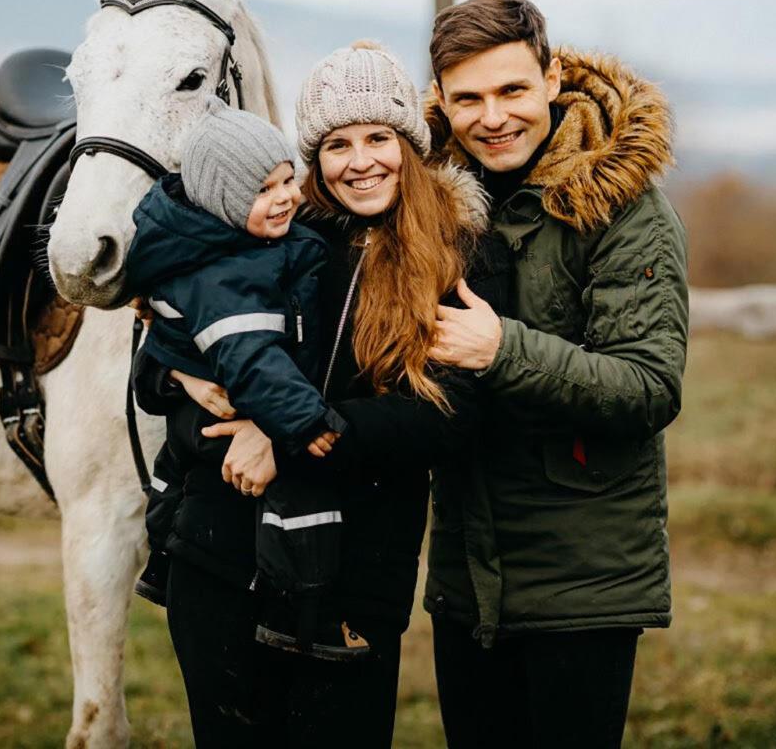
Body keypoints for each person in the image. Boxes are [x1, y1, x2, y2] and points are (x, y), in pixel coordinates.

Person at [140, 40, 514, 748]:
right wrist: (176, 378)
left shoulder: (460, 253)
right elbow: (169, 370)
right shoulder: (275, 233)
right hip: (222, 555)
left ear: (410, 141)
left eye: (379, 137)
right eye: (337, 144)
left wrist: (289, 441)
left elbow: (447, 416)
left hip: (353, 576)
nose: (361, 160)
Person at [423, 0, 690, 748]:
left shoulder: (626, 208)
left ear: (552, 76)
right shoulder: (433, 206)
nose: (493, 116)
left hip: (585, 580)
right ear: (441, 100)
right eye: (468, 98)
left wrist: (501, 349)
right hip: (465, 577)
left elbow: (648, 384)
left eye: (512, 90)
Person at [125, 96, 362, 659]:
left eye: (286, 181)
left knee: (173, 479)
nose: (284, 199)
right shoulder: (230, 270)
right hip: (246, 409)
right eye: (262, 191)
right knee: (301, 502)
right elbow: (252, 358)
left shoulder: (234, 244)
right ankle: (306, 613)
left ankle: (161, 563)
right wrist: (306, 422)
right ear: (225, 202)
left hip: (207, 414)